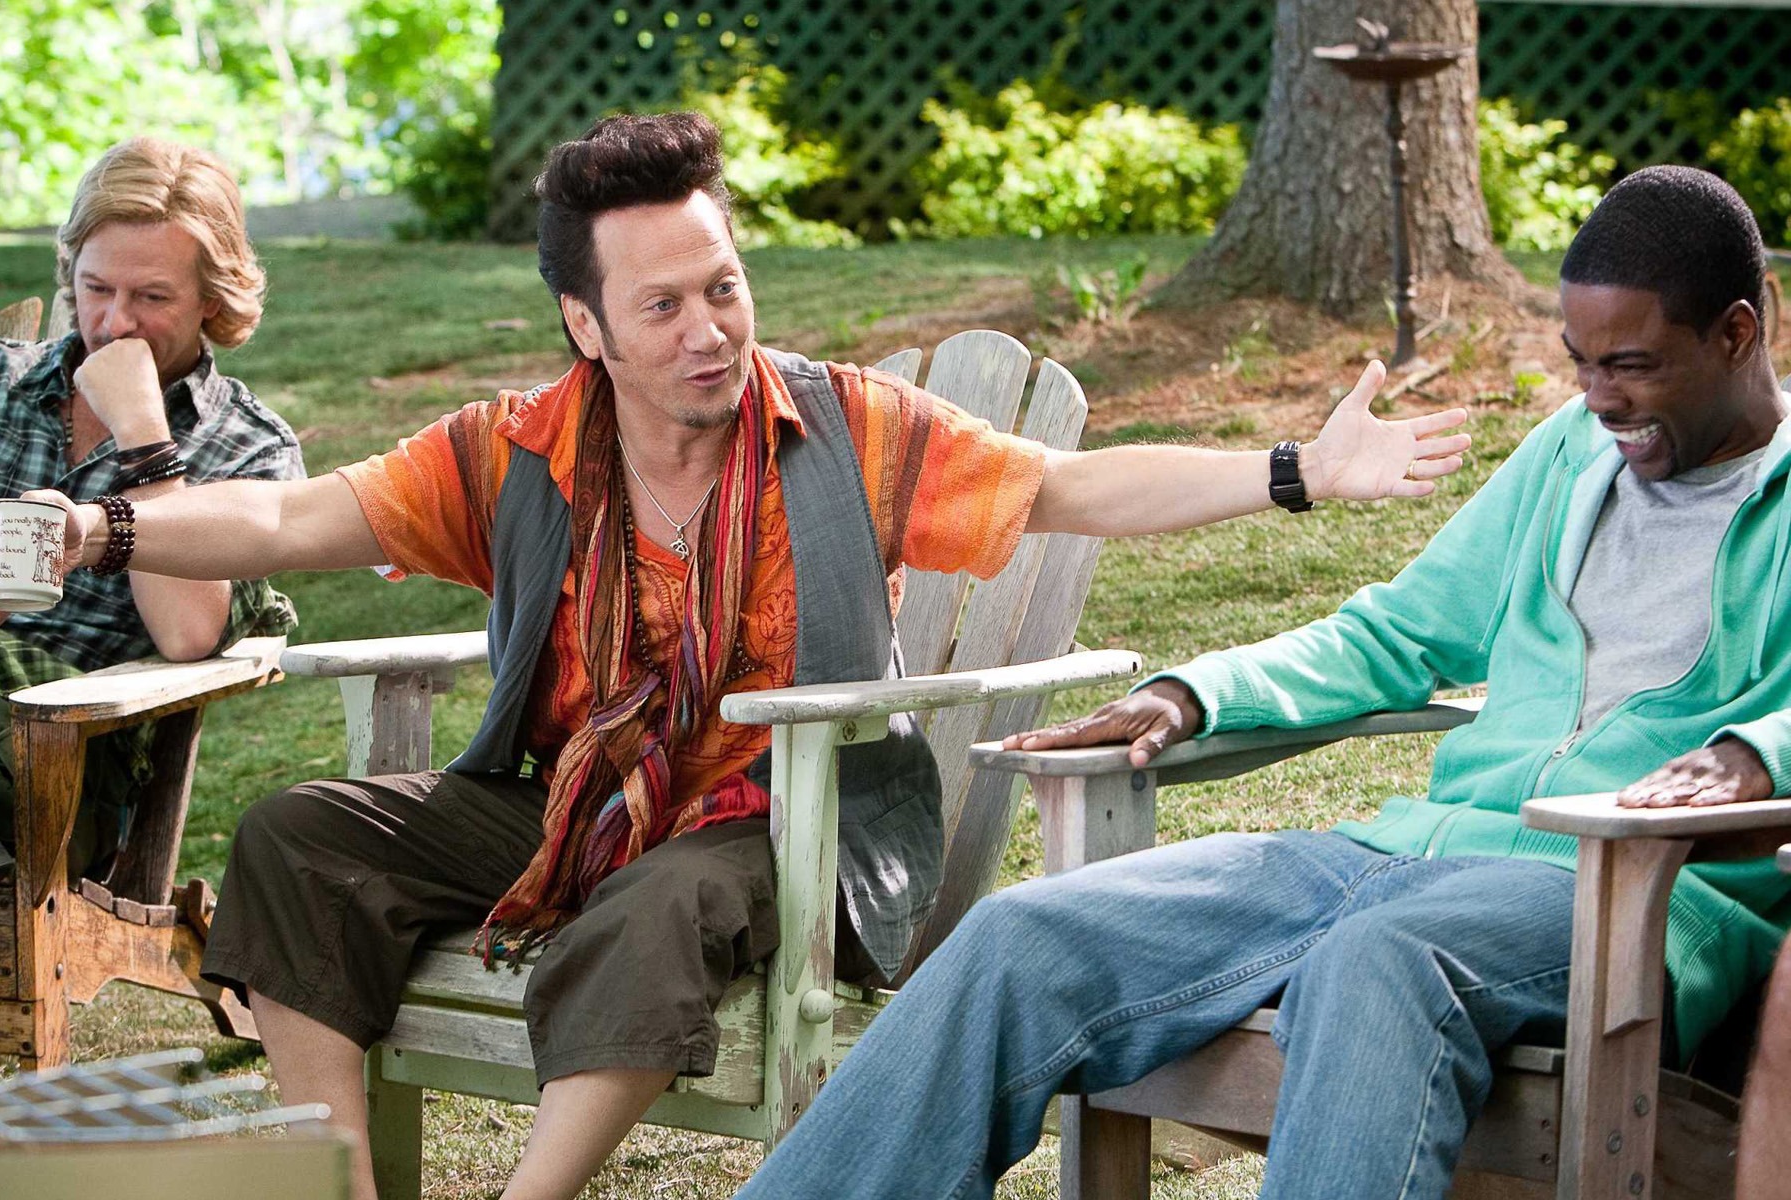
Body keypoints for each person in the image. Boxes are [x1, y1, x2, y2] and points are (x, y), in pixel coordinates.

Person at [11, 112, 1466, 1200]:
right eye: (663, 306)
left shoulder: (849, 430)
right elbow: (287, 516)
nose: (709, 330)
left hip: (789, 825)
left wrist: (1296, 471)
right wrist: (104, 530)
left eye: (723, 286)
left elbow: (1070, 489)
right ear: (587, 325)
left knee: (662, 901)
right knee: (297, 835)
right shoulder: (517, 452)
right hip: (572, 803)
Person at [735, 164, 1791, 1200]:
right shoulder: (1568, 454)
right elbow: (1394, 634)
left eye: (1632, 366)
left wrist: (1757, 754)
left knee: (1378, 963)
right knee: (1023, 938)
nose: (1599, 399)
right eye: (1582, 364)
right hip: (1402, 856)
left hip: (1615, 894)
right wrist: (1191, 694)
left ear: (1739, 333)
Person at [0, 137, 303, 927]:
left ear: (212, 298)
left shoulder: (248, 448)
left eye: (152, 297)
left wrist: (144, 433)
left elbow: (188, 634)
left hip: (38, 741)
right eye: (96, 287)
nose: (113, 321)